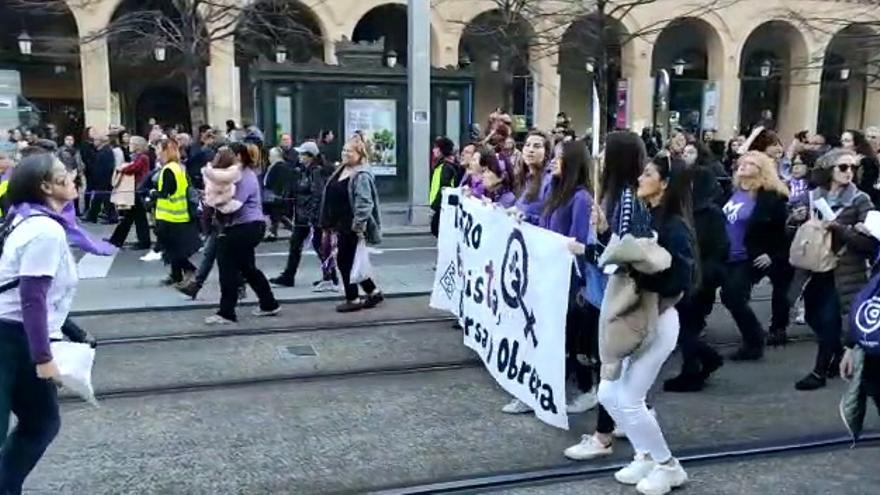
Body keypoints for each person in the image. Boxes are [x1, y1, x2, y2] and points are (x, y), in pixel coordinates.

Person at [595, 153, 695, 495]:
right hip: (638, 317)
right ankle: (647, 455)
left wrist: (639, 272)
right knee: (608, 392)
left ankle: (669, 466)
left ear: (664, 184)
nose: (640, 178)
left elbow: (682, 280)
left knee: (629, 399)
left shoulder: (674, 226)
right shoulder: (649, 216)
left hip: (658, 320)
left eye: (648, 174)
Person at [0, 153, 80, 493]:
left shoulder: (27, 219)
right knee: (40, 422)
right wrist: (44, 359)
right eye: (64, 174)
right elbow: (32, 297)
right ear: (46, 186)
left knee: (41, 421)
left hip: (14, 334)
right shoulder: (45, 230)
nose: (73, 176)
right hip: (11, 339)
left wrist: (72, 331)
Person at [788, 149, 876, 390]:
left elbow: (869, 244)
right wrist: (797, 219)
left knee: (829, 320)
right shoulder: (812, 196)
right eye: (843, 167)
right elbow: (791, 231)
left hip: (843, 270)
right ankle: (837, 353)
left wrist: (839, 228)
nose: (849, 172)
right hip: (813, 267)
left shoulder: (860, 200)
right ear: (828, 169)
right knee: (812, 316)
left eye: (852, 168)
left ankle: (819, 371)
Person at [663, 163, 728, 392]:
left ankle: (694, 369)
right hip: (691, 276)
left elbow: (720, 248)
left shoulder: (711, 214)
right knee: (685, 327)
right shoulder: (685, 211)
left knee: (688, 327)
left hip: (702, 279)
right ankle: (703, 361)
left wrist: (702, 276)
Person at [543, 141, 597, 413]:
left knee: (573, 336)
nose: (553, 161)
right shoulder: (555, 192)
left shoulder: (581, 199)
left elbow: (577, 242)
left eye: (559, 158)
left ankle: (587, 389)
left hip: (571, 280)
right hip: (554, 277)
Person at [720, 151, 790, 359]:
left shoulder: (771, 198)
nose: (744, 166)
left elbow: (781, 232)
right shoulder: (733, 192)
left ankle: (754, 340)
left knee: (733, 295)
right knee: (728, 295)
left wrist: (771, 254)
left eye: (751, 164)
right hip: (726, 254)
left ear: (762, 171)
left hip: (748, 255)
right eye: (743, 163)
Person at [206, 143, 280, 324]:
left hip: (247, 226)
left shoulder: (245, 177)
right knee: (247, 267)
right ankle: (269, 303)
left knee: (227, 267)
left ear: (238, 156)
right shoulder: (236, 175)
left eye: (227, 154)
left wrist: (213, 202)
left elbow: (234, 205)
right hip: (244, 226)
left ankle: (227, 312)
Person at [319, 137, 383, 313]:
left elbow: (364, 203)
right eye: (344, 150)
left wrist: (359, 225)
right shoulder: (342, 168)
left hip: (352, 225)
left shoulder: (361, 175)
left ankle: (353, 299)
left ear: (360, 154)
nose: (345, 153)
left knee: (344, 261)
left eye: (350, 151)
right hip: (339, 223)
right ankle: (373, 292)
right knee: (353, 262)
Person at [270, 141, 332, 288]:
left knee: (318, 246)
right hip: (301, 215)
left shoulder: (315, 171)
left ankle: (330, 276)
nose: (300, 157)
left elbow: (317, 194)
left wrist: (313, 216)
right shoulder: (304, 170)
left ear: (310, 156)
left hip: (310, 217)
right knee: (295, 245)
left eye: (303, 154)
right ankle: (288, 276)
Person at [151, 138, 200, 287]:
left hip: (170, 216)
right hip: (178, 214)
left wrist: (153, 194)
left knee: (173, 249)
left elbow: (165, 193)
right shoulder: (178, 168)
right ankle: (176, 275)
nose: (156, 153)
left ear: (166, 151)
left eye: (159, 149)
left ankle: (189, 270)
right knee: (172, 248)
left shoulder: (168, 170)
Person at [108, 136, 152, 249]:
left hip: (138, 189)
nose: (129, 145)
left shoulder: (142, 157)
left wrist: (122, 168)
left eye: (132, 143)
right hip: (136, 189)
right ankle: (117, 239)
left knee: (136, 217)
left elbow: (134, 168)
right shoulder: (138, 157)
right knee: (132, 217)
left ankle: (121, 240)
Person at [513, 131, 553, 226]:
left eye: (537, 146)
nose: (530, 150)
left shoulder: (549, 181)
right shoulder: (525, 178)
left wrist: (527, 217)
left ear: (546, 153)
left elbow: (550, 221)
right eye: (527, 145)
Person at [429, 137, 461, 237]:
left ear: (442, 150)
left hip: (441, 207)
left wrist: (435, 206)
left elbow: (444, 187)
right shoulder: (441, 166)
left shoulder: (446, 167)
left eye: (436, 148)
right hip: (440, 207)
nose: (433, 150)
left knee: (438, 231)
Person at [84, 132, 117, 224]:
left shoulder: (106, 151)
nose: (94, 142)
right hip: (101, 179)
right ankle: (93, 216)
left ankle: (110, 217)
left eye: (95, 140)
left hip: (104, 179)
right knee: (101, 198)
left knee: (104, 198)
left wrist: (100, 178)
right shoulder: (102, 151)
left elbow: (106, 167)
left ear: (101, 141)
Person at [841, 129, 880, 207]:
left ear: (856, 143)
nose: (843, 144)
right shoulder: (840, 157)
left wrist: (853, 167)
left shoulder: (866, 161)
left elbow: (865, 187)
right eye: (842, 140)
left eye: (847, 141)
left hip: (858, 201)